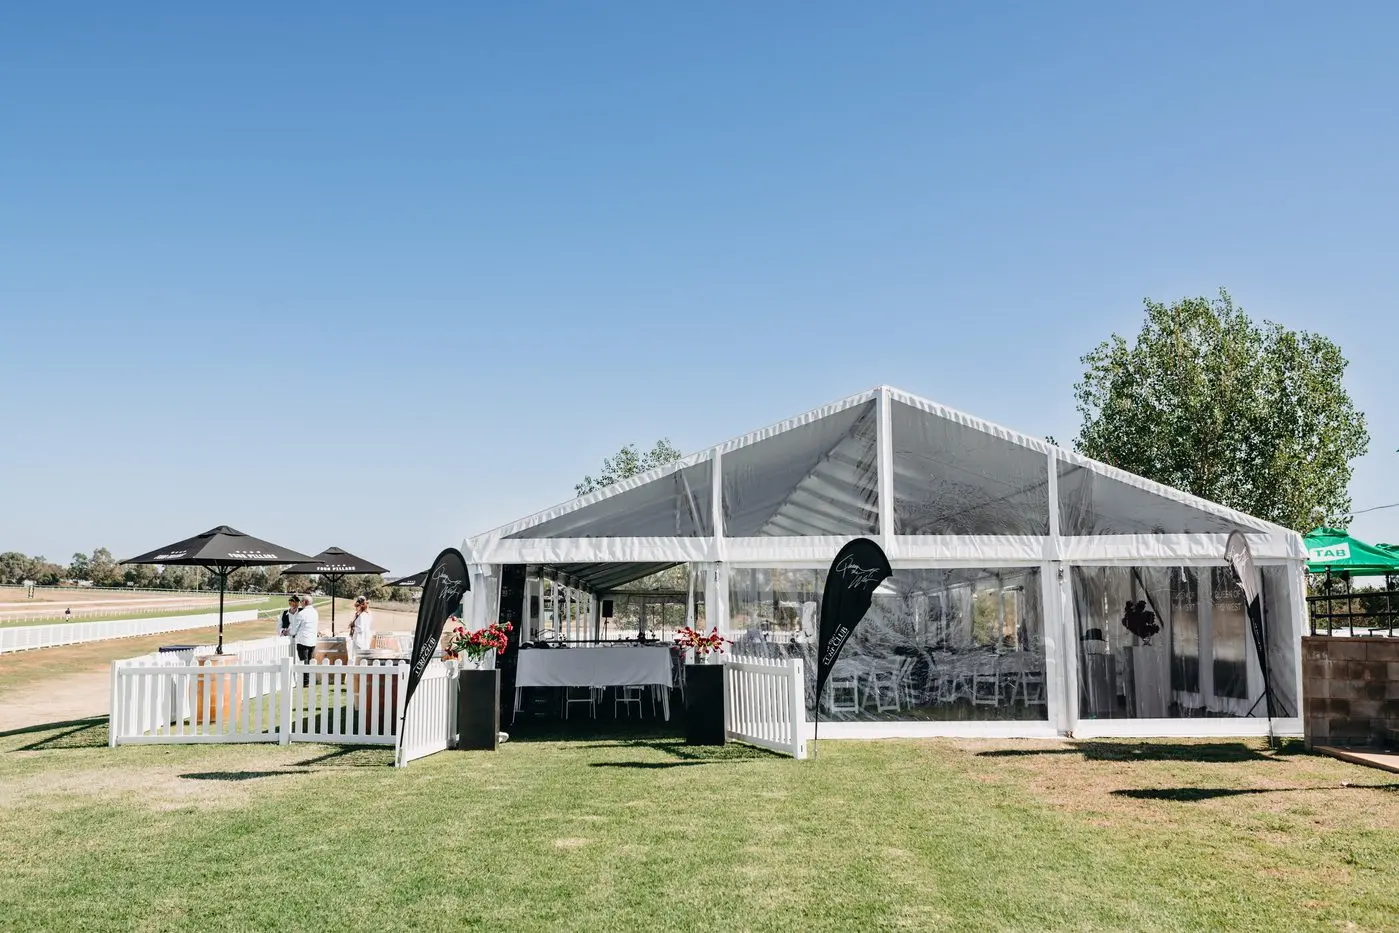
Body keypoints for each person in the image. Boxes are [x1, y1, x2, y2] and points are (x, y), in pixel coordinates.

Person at [288, 594, 320, 685]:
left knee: (303, 662)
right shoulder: (315, 612)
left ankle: (305, 682)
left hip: (303, 641)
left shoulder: (301, 613)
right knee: (309, 661)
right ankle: (308, 680)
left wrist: (288, 632)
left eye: (301, 601)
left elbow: (294, 630)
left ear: (305, 602)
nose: (300, 603)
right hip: (312, 641)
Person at [348, 595, 374, 660]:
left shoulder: (362, 615)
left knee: (357, 658)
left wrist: (353, 626)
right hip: (366, 639)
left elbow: (360, 629)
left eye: (357, 606)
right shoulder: (368, 613)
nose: (356, 607)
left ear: (361, 606)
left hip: (359, 640)